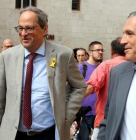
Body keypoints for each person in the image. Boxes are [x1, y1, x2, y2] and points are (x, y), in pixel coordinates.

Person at [0, 6, 86, 140]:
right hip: (13, 134)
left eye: (29, 28)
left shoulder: (63, 55)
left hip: (49, 133)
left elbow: (80, 86)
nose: (23, 33)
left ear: (45, 29)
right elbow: (1, 98)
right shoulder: (7, 57)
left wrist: (66, 117)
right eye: (20, 28)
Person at [97, 11, 136, 140]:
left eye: (130, 34)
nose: (122, 41)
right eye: (123, 34)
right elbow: (109, 120)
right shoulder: (118, 73)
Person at [85, 37, 126, 140]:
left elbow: (90, 88)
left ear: (112, 51)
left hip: (105, 121)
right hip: (128, 124)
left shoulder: (106, 65)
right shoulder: (134, 65)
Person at [76, 41, 103, 140]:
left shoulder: (104, 67)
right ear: (90, 52)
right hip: (85, 113)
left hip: (100, 113)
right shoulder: (81, 67)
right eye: (97, 50)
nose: (100, 52)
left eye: (102, 50)